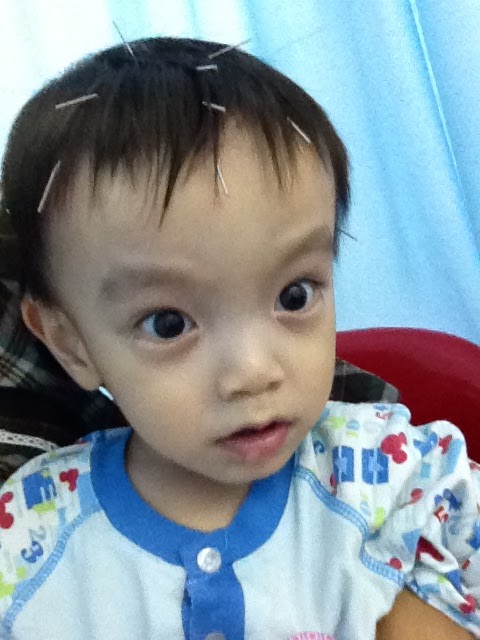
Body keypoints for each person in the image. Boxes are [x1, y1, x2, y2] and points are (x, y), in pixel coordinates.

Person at [0, 36, 477, 640]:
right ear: (72, 345)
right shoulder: (29, 533)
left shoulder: (403, 477)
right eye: (169, 323)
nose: (254, 371)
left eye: (295, 295)